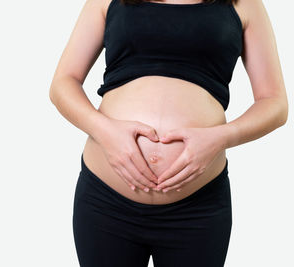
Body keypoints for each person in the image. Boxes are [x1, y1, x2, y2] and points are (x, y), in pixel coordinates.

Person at [49, 0, 288, 266]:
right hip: (106, 203)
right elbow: (63, 82)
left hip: (197, 210)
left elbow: (274, 102)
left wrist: (220, 137)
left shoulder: (244, 4)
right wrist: (104, 131)